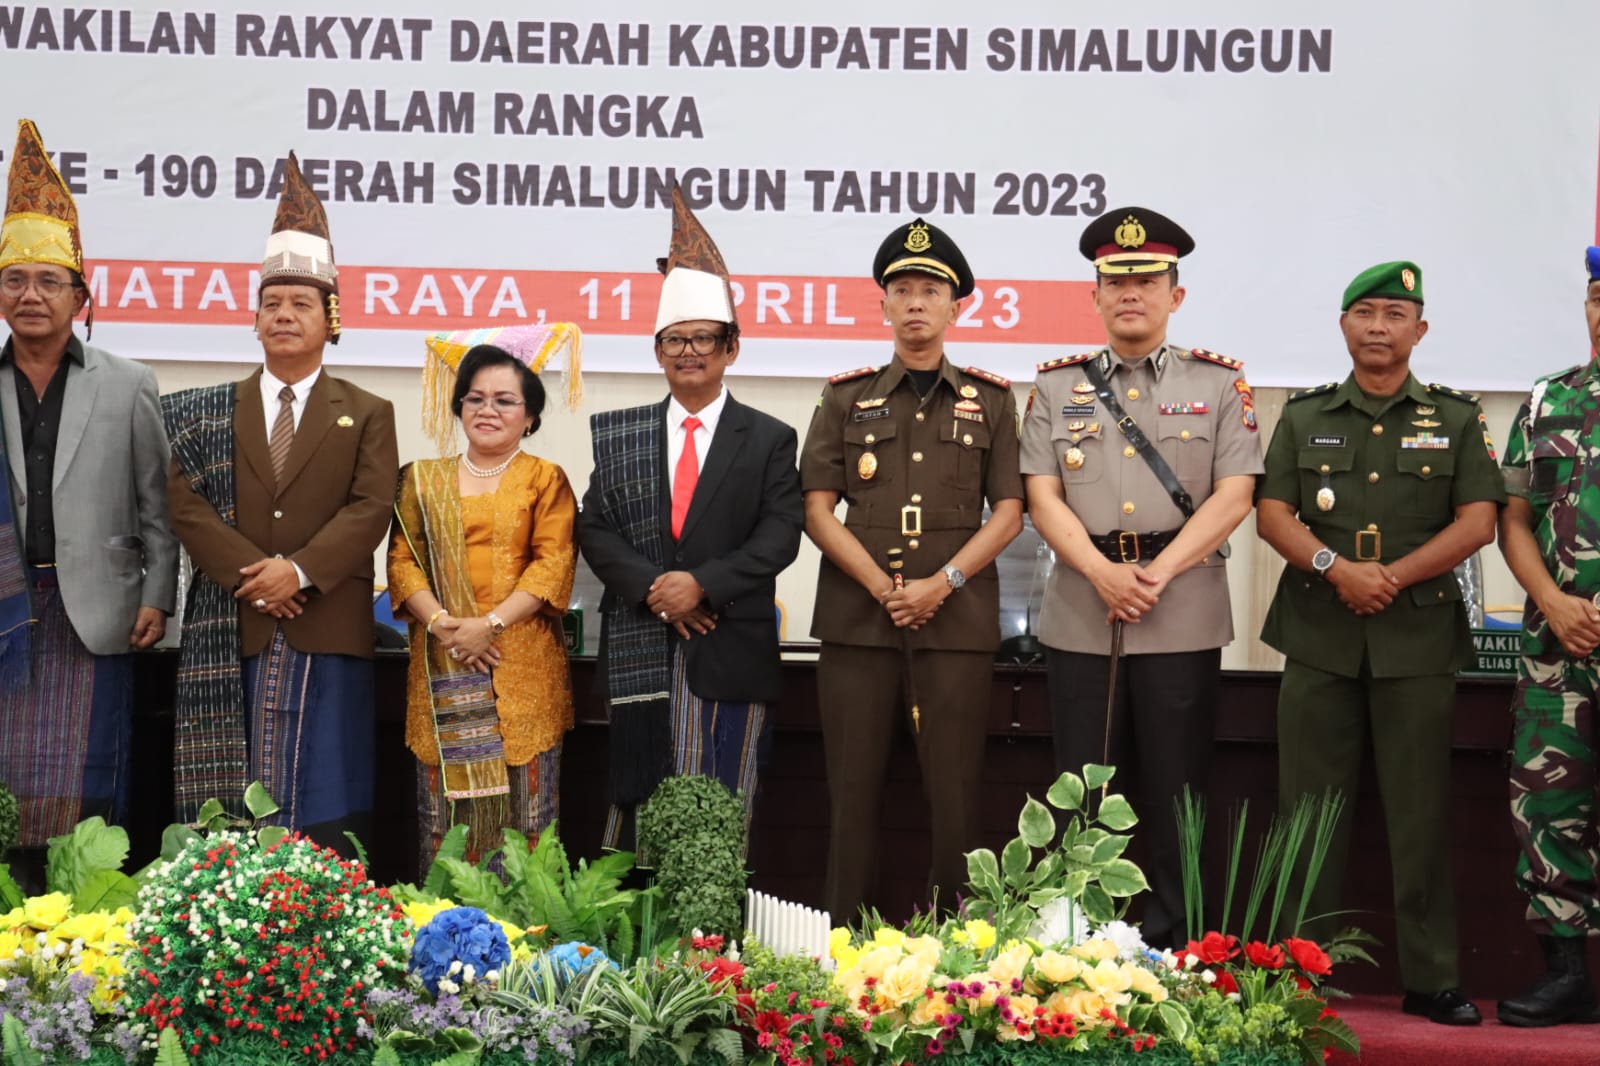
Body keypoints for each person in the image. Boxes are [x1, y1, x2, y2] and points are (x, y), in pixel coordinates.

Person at [1258, 261, 1501, 1026]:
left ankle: (1431, 979)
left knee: (1420, 813)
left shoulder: (1457, 420)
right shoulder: (1303, 415)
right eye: (1364, 312)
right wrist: (1337, 568)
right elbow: (1272, 514)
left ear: (1419, 331)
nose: (1378, 327)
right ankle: (1300, 971)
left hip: (1416, 640)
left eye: (1395, 314)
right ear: (1343, 326)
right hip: (1320, 634)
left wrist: (1388, 576)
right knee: (1306, 813)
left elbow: (1477, 522)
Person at [1019, 207, 1259, 949]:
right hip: (1082, 611)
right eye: (1115, 280)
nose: (1131, 292)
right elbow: (1040, 494)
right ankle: (1081, 946)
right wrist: (1099, 571)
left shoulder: (1219, 383)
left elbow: (1236, 494)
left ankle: (1181, 944)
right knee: (1082, 791)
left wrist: (1154, 572)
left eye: (1147, 280)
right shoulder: (1056, 386)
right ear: (1094, 294)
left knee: (1178, 788)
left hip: (1179, 605)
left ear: (1174, 296)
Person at [164, 152, 398, 852]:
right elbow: (187, 505)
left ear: (331, 318)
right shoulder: (209, 410)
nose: (284, 316)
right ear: (255, 319)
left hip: (326, 624)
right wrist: (256, 576)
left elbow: (371, 507)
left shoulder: (369, 410)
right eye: (272, 304)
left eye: (301, 304)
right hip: (235, 626)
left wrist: (296, 573)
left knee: (323, 803)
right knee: (232, 813)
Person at [801, 217, 1023, 920]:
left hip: (955, 624)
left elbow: (1011, 511)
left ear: (957, 307)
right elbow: (815, 509)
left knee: (955, 798)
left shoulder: (990, 400)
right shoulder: (846, 396)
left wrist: (941, 585)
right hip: (858, 623)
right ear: (885, 305)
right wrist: (882, 586)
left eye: (931, 289)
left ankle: (958, 949)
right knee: (850, 796)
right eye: (903, 289)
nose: (916, 301)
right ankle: (841, 945)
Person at [579, 187, 803, 849]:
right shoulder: (623, 433)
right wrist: (657, 588)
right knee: (640, 820)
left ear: (731, 347)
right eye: (673, 340)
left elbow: (780, 534)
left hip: (729, 647)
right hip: (643, 645)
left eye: (703, 338)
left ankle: (713, 949)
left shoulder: (768, 437)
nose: (688, 352)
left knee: (720, 811)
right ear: (658, 350)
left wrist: (701, 583)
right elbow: (594, 526)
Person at [0, 119, 177, 879]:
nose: (30, 295)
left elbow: (157, 506)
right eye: (14, 279)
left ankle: (78, 931)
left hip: (96, 608)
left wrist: (159, 594)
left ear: (82, 294)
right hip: (6, 612)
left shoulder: (128, 382)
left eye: (48, 281)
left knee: (87, 784)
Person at [389, 342, 578, 863]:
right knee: (445, 821)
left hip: (520, 664)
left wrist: (489, 625)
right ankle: (442, 931)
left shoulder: (546, 478)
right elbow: (403, 564)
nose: (487, 410)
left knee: (528, 821)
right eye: (475, 399)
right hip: (442, 660)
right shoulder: (420, 479)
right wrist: (447, 624)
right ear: (458, 407)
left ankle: (526, 937)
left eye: (504, 401)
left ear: (531, 415)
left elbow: (553, 564)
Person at [1494, 246, 1600, 1028]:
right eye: (1599, 295)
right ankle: (1567, 973)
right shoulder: (1550, 399)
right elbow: (1515, 518)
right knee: (1548, 804)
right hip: (1560, 644)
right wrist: (1550, 600)